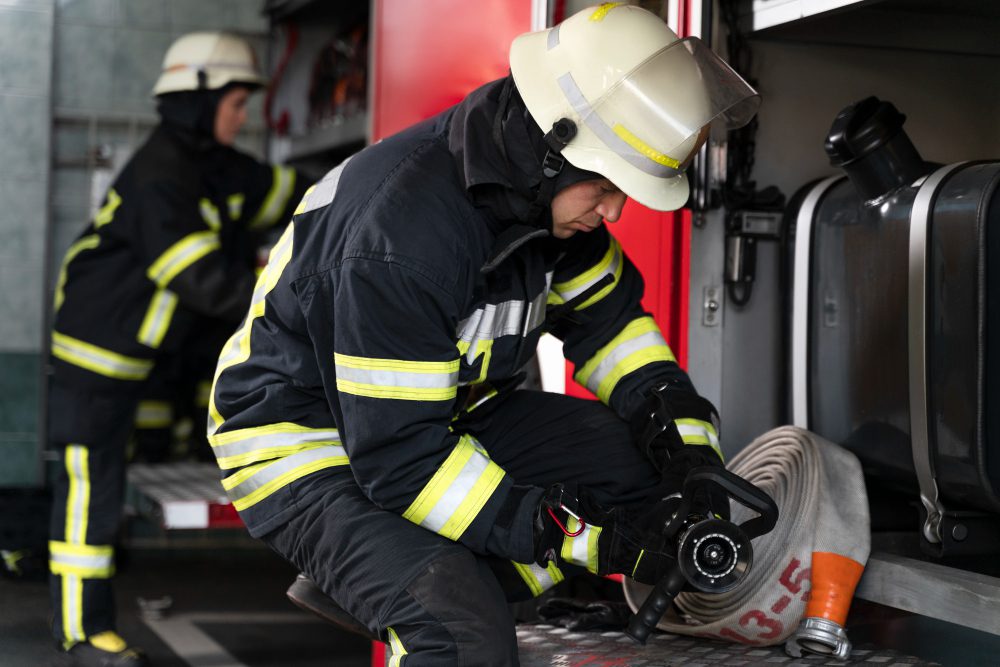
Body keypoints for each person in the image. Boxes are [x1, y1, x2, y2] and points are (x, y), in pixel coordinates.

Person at [209, 4, 759, 664]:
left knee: (637, 469)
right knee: (460, 634)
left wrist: (689, 458)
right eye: (607, 185)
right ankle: (414, 582)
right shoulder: (401, 241)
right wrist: (581, 540)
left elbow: (616, 335)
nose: (614, 210)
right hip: (309, 449)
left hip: (434, 424)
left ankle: (417, 572)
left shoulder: (537, 208)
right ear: (552, 152)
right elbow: (402, 462)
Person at [48, 31, 308, 666]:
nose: (242, 117)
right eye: (235, 103)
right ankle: (84, 635)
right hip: (96, 356)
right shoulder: (162, 175)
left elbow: (288, 190)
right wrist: (305, 308)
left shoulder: (207, 164)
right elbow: (204, 283)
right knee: (90, 490)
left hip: (139, 353)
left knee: (108, 485)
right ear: (199, 100)